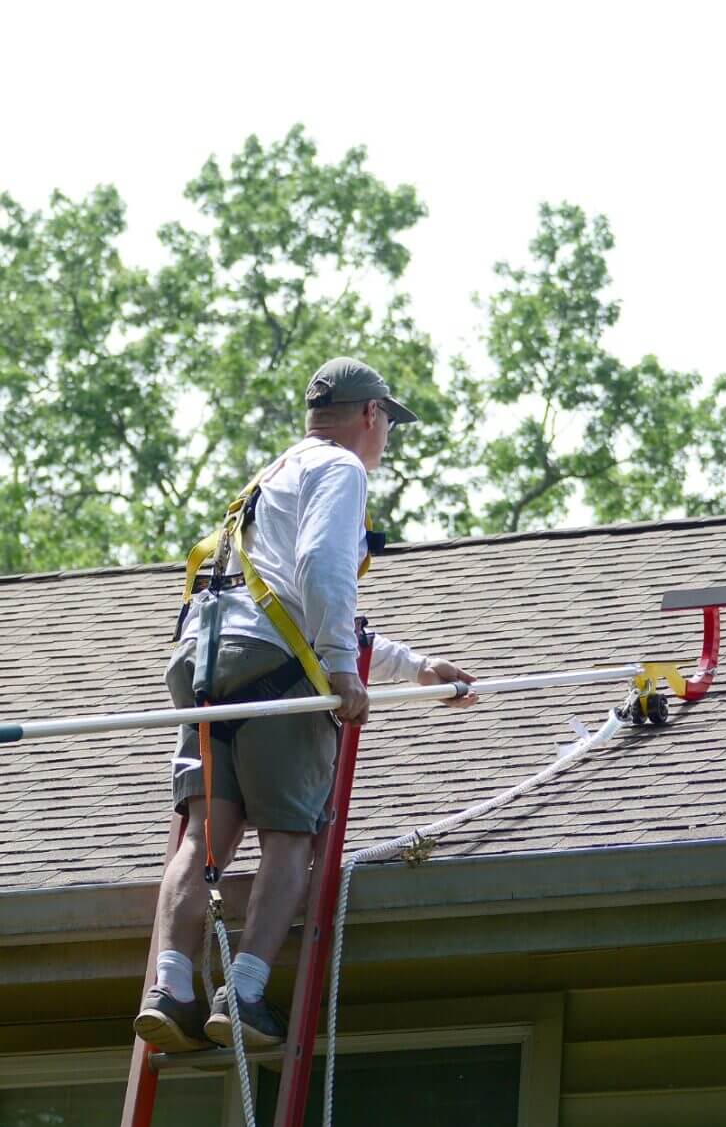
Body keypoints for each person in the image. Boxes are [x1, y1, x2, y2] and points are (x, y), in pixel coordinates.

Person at [134, 357, 476, 1053]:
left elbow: (291, 600)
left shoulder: (273, 475)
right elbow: (323, 572)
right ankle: (247, 993)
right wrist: (346, 673)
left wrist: (413, 668)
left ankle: (169, 987)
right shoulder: (343, 471)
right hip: (276, 679)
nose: (385, 441)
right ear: (371, 415)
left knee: (204, 838)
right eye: (387, 425)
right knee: (291, 837)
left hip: (207, 670)